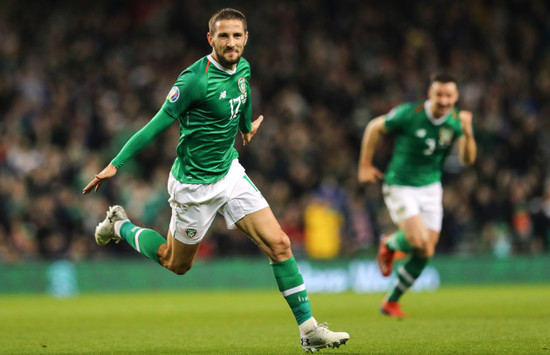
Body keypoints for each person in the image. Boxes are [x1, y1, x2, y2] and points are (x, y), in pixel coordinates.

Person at [82, 8, 349, 352]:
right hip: (193, 186)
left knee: (280, 244)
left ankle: (309, 329)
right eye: (223, 36)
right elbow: (156, 123)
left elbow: (243, 95)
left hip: (229, 173)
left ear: (246, 38)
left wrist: (246, 126)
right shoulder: (194, 80)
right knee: (174, 263)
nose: (231, 42)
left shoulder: (245, 67)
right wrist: (116, 163)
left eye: (237, 36)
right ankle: (120, 225)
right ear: (211, 39)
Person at [357, 74, 477, 317]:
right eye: (439, 94)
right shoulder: (410, 114)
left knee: (426, 251)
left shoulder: (456, 122)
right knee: (417, 241)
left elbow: (467, 159)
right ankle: (389, 243)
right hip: (400, 184)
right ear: (430, 94)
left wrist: (467, 131)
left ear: (456, 97)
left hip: (431, 188)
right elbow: (374, 127)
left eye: (449, 95)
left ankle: (391, 301)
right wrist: (365, 166)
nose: (443, 100)